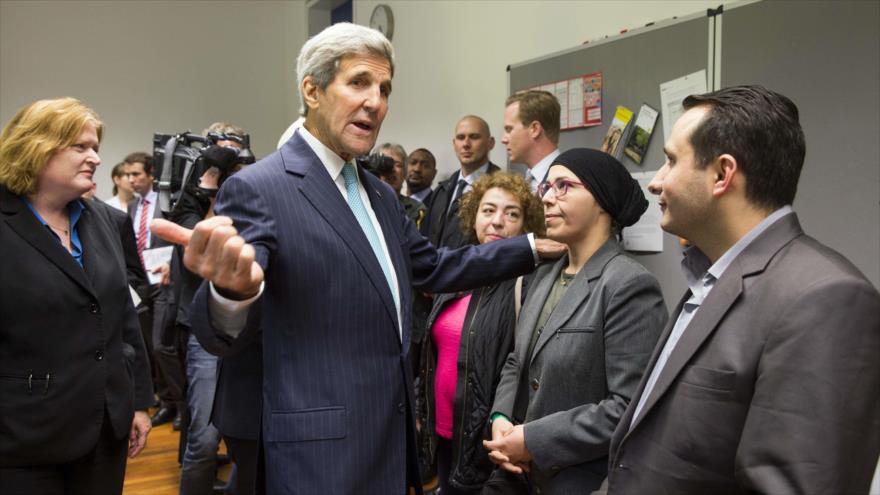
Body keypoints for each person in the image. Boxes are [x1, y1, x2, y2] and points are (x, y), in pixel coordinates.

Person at [151, 23, 563, 494]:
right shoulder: (260, 187)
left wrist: (529, 248)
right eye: (359, 83)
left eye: (384, 89)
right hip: (319, 452)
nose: (376, 101)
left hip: (388, 439)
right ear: (312, 90)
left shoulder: (381, 198)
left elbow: (436, 267)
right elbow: (224, 331)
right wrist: (232, 291)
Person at [603, 85, 880, 494]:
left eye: (671, 161)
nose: (656, 182)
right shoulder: (710, 277)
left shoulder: (825, 297)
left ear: (721, 173)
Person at [484, 148, 667, 494]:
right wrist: (501, 419)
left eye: (563, 186)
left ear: (601, 200)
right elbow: (516, 360)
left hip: (580, 480)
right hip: (517, 475)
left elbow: (628, 407)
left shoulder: (628, 285)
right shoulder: (542, 276)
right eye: (546, 188)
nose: (549, 199)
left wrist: (533, 439)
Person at [0, 97, 153, 493]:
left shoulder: (105, 220)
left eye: (96, 148)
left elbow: (123, 319)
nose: (95, 159)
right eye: (80, 147)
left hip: (105, 428)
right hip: (22, 436)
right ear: (37, 146)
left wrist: (138, 401)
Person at [417, 172, 545, 494]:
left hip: (490, 448)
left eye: (511, 213)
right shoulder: (457, 275)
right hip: (442, 437)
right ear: (474, 217)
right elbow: (430, 352)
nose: (497, 222)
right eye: (488, 210)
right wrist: (421, 411)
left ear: (526, 224)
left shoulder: (530, 284)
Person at [126, 151, 184, 428]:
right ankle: (167, 402)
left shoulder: (166, 202)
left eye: (136, 174)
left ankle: (184, 405)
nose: (130, 179)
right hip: (142, 283)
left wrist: (173, 264)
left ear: (151, 174)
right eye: (127, 175)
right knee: (150, 347)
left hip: (165, 281)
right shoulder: (133, 207)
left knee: (163, 345)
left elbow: (179, 238)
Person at [424, 115, 500, 249]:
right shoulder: (441, 190)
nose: (466, 144)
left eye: (474, 137)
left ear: (491, 143)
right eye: (460, 138)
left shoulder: (501, 188)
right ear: (454, 144)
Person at [502, 91, 561, 193]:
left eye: (509, 129)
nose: (503, 139)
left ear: (534, 129)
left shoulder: (567, 182)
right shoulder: (529, 181)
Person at [377, 142, 427, 229]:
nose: (392, 169)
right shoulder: (361, 202)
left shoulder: (417, 209)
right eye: (386, 163)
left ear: (405, 173)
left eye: (397, 165)